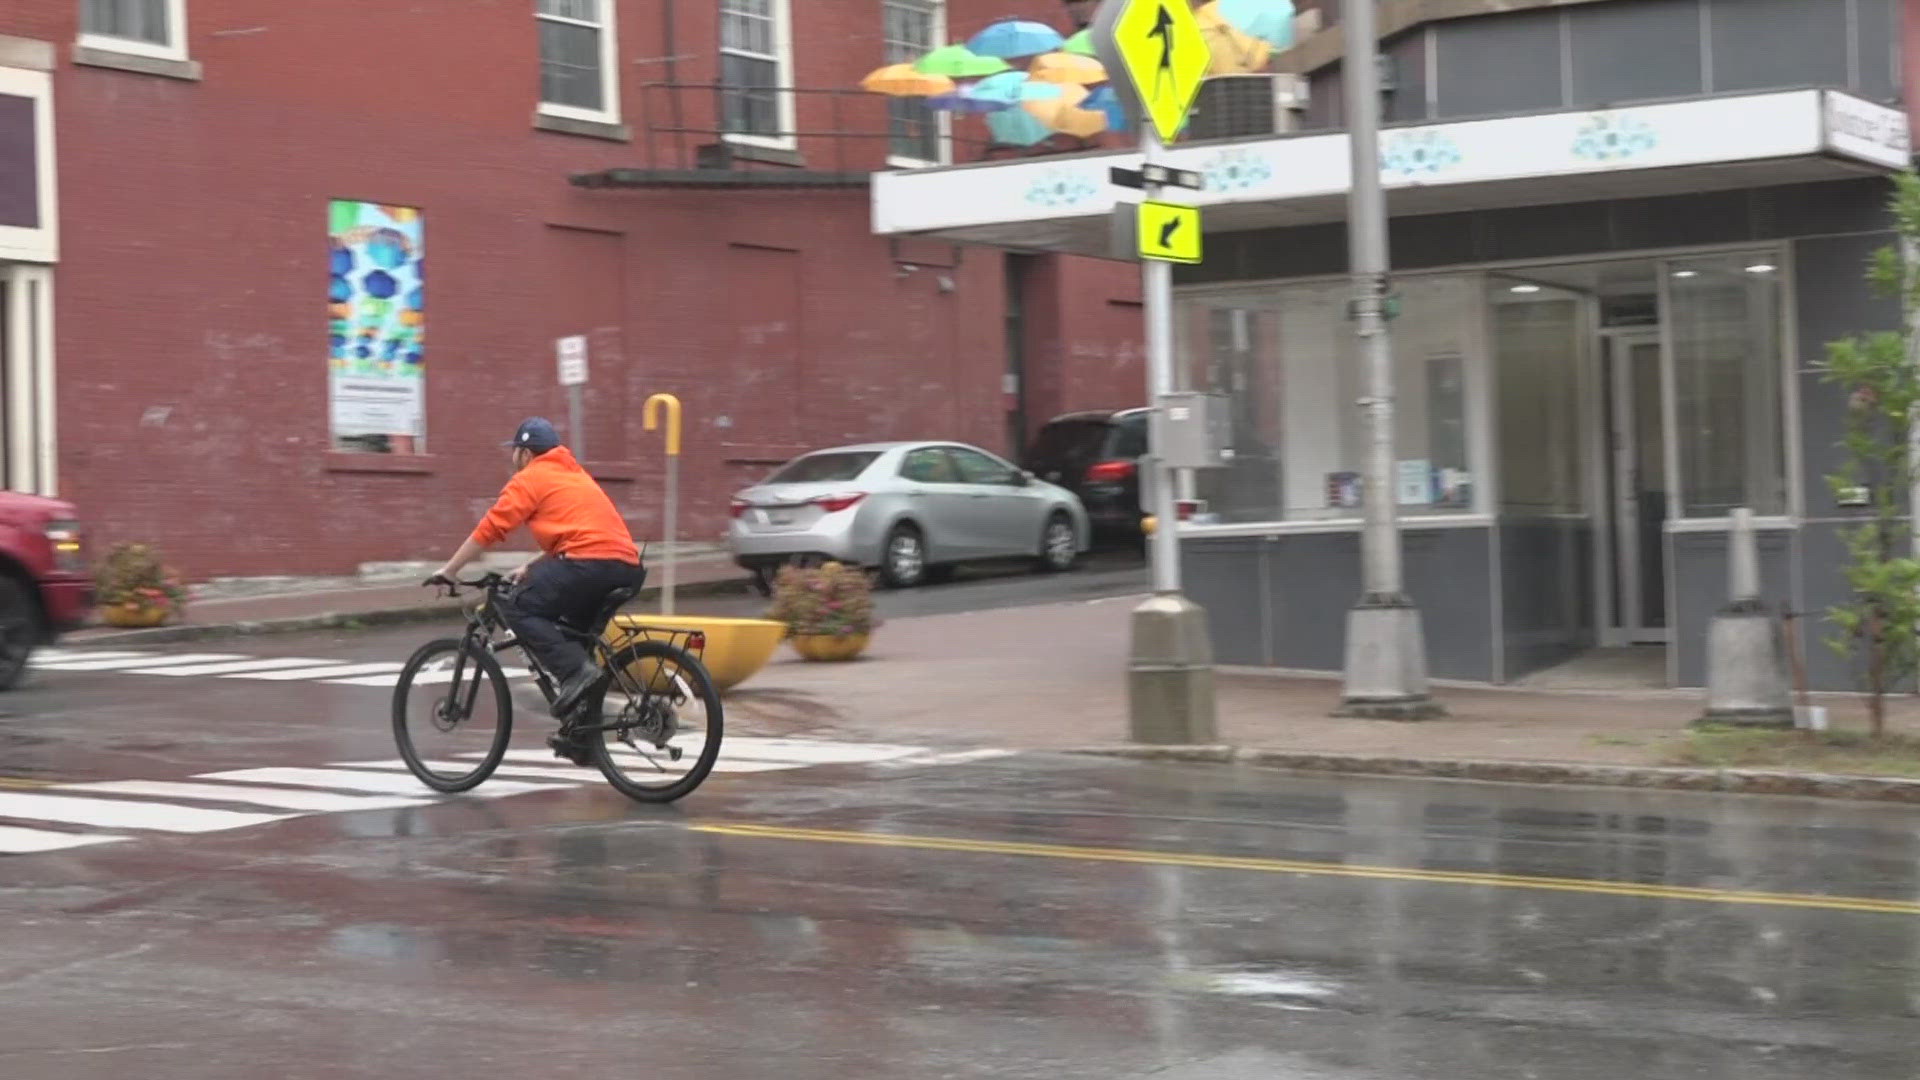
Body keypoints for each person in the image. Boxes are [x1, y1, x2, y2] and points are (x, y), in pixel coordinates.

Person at [427, 418, 645, 731]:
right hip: (625, 567)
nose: (512, 458)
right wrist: (532, 565)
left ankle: (575, 674)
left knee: (516, 605)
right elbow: (581, 533)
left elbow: (492, 527)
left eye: (514, 451)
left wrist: (450, 570)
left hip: (588, 566)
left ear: (526, 454)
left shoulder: (531, 477)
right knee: (571, 637)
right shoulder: (574, 474)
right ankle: (582, 737)